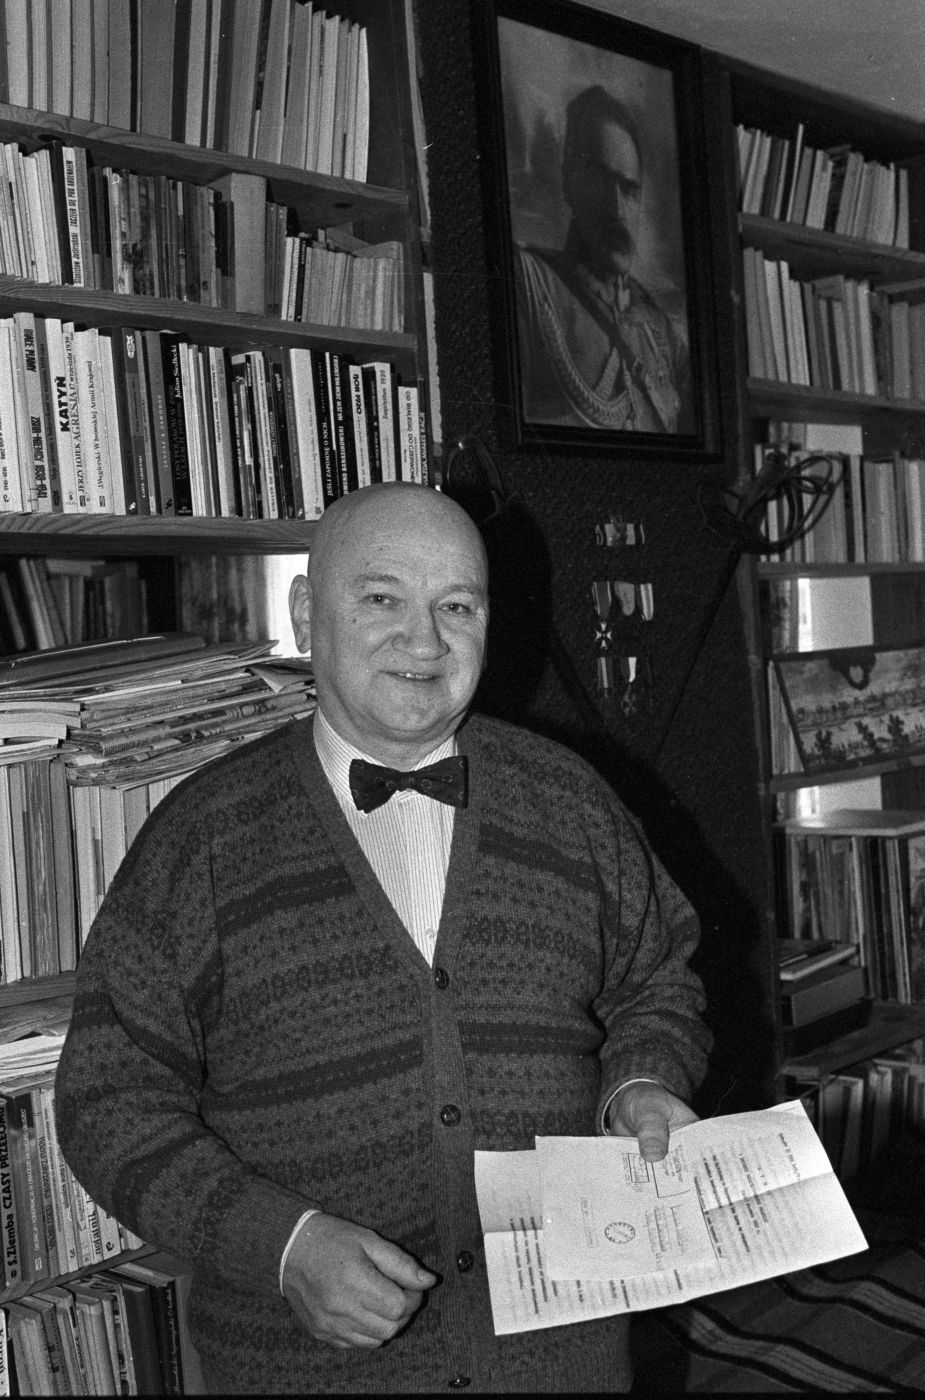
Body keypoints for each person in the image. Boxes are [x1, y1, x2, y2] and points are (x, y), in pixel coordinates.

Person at [55, 481, 711, 1393]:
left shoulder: (572, 800)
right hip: (309, 1370)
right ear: (304, 615)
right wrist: (281, 1245)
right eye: (380, 598)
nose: (425, 641)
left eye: (457, 606)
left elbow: (655, 983)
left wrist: (640, 1085)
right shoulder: (201, 839)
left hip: (563, 1356)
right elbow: (106, 1102)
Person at [514, 83, 693, 434]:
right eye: (600, 180)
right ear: (569, 182)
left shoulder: (662, 333)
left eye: (629, 189)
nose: (617, 208)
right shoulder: (529, 284)